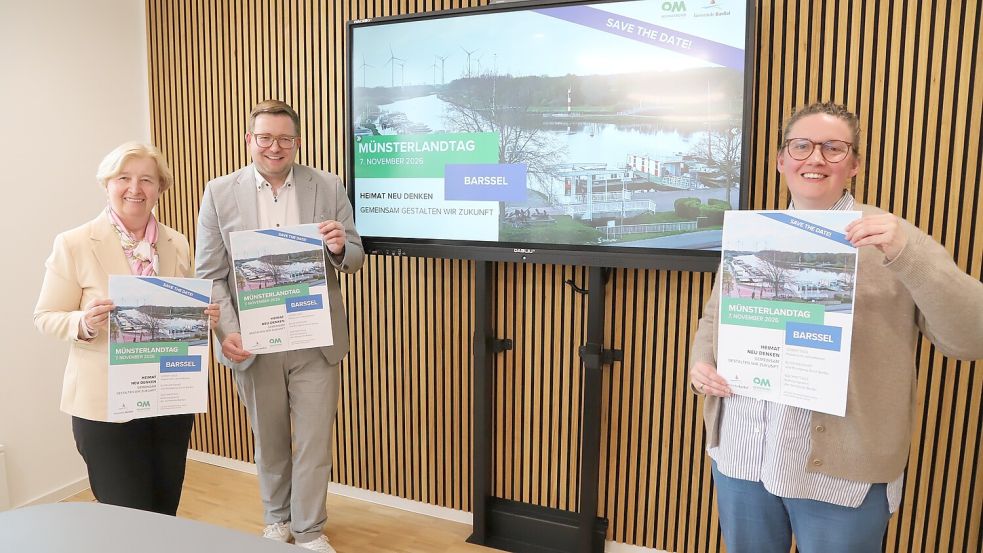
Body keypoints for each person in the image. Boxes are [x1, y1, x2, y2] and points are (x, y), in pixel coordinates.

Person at [688, 102, 983, 552]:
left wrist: (910, 255)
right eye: (801, 146)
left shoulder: (895, 239)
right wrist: (702, 361)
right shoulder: (755, 233)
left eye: (833, 148)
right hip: (742, 456)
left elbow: (971, 337)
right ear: (782, 159)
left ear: (854, 165)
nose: (815, 158)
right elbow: (716, 317)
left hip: (842, 477)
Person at [195, 100, 364, 553]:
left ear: (297, 142)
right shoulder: (218, 192)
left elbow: (355, 257)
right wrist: (227, 332)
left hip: (315, 341)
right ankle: (277, 520)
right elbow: (209, 273)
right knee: (269, 440)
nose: (275, 147)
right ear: (249, 140)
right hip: (254, 341)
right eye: (265, 137)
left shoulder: (327, 185)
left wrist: (336, 246)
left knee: (313, 442)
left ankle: (309, 530)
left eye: (285, 138)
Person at [34, 142, 219, 515]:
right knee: (126, 516)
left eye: (146, 180)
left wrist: (201, 317)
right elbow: (46, 315)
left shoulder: (177, 242)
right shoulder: (74, 243)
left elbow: (179, 309)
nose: (135, 188)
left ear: (159, 188)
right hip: (106, 408)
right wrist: (83, 321)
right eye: (124, 178)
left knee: (164, 510)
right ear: (108, 184)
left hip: (169, 400)